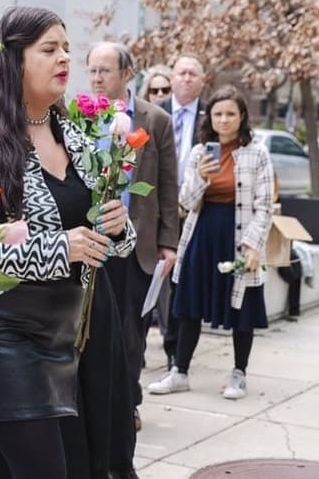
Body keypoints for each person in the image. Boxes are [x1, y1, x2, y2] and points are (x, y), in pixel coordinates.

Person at [0, 6, 136, 479]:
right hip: (3, 330)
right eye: (49, 49)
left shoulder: (77, 137)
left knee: (80, 457)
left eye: (66, 48)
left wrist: (119, 228)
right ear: (13, 59)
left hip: (77, 327)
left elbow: (106, 241)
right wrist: (58, 248)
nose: (64, 58)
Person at [148, 85, 273, 400]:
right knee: (188, 304)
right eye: (218, 114)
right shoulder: (199, 152)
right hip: (202, 235)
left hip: (239, 235)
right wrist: (201, 177)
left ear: (242, 116)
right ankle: (180, 371)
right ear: (210, 118)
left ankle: (238, 374)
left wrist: (254, 244)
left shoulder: (257, 152)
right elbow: (186, 202)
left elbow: (264, 204)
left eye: (231, 113)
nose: (224, 120)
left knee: (241, 307)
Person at [86, 42, 179, 435]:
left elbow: (167, 185)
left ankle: (127, 404)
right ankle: (89, 401)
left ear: (127, 73)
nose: (96, 78)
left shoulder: (154, 119)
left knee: (130, 332)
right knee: (89, 327)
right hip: (90, 239)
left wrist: (168, 242)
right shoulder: (79, 116)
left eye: (105, 70)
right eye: (92, 70)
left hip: (136, 243)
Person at [156, 54, 208, 372]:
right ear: (172, 78)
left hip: (194, 211)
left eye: (193, 73)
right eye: (181, 73)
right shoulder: (156, 113)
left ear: (203, 80)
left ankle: (176, 352)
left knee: (182, 284)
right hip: (158, 210)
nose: (186, 78)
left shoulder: (211, 117)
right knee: (152, 280)